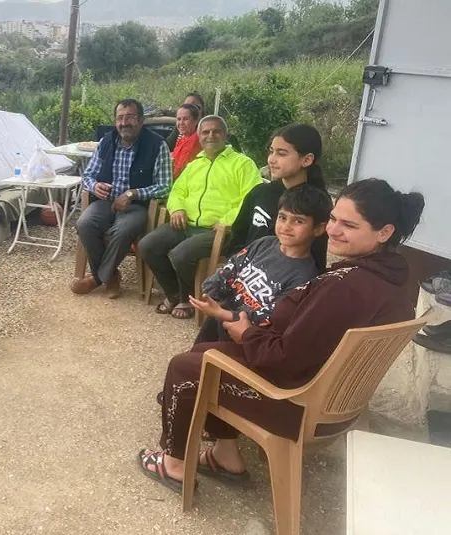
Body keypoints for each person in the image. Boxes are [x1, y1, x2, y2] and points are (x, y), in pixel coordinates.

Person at [138, 178, 424, 493]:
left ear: (384, 232)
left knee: (187, 367)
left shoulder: (345, 287)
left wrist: (247, 333)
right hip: (330, 400)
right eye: (333, 220)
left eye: (349, 225)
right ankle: (226, 456)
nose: (333, 230)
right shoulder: (392, 285)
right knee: (208, 349)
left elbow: (282, 358)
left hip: (297, 403)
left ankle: (174, 465)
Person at [138, 115, 262, 320]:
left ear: (225, 135)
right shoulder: (195, 165)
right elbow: (177, 192)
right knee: (147, 245)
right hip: (186, 224)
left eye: (216, 131)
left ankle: (187, 299)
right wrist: (177, 208)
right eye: (205, 132)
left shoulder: (242, 164)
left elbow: (252, 197)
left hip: (219, 230)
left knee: (180, 254)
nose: (211, 135)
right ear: (199, 136)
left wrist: (227, 220)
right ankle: (175, 293)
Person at [191, 185, 332, 345]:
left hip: (244, 339)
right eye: (282, 217)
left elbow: (267, 318)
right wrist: (211, 293)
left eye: (298, 221)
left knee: (192, 361)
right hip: (219, 316)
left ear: (319, 228)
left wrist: (223, 313)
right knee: (195, 358)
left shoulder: (304, 277)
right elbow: (229, 270)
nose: (286, 226)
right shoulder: (263, 244)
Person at [72, 98, 172, 299]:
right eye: (120, 118)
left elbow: (165, 186)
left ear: (141, 120)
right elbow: (88, 176)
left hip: (136, 206)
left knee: (123, 229)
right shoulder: (106, 142)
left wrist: (132, 193)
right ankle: (111, 276)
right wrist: (95, 186)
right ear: (115, 121)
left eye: (130, 117)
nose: (124, 123)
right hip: (105, 201)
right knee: (84, 223)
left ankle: (98, 279)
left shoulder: (157, 145)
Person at [225, 123, 329, 273]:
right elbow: (237, 235)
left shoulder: (316, 203)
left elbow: (316, 260)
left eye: (281, 153)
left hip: (283, 284)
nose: (271, 160)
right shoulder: (260, 193)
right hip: (243, 273)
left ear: (306, 160)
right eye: (271, 152)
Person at [171, 103, 202, 179]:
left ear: (196, 121)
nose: (181, 123)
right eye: (179, 119)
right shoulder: (183, 137)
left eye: (185, 119)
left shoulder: (195, 141)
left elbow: (179, 171)